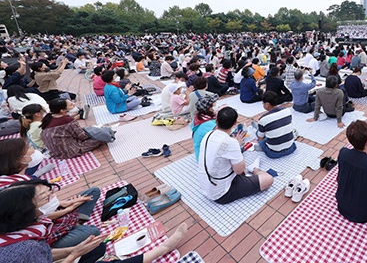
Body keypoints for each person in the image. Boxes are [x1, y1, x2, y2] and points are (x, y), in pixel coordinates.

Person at [0, 179, 188, 263]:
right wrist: (73, 255)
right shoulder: (25, 248)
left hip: (50, 237)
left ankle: (78, 226)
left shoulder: (13, 226)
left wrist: (74, 250)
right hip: (50, 237)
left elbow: (47, 253)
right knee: (93, 237)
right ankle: (162, 249)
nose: (52, 198)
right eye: (45, 197)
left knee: (97, 248)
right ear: (24, 211)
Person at [198, 107, 273, 204]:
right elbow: (239, 171)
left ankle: (250, 174)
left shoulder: (208, 135)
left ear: (216, 120)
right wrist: (236, 145)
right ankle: (255, 169)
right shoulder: (231, 142)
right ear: (235, 123)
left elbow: (221, 150)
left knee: (235, 163)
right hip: (222, 194)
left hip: (207, 187)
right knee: (268, 179)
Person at [40, 99, 105, 159]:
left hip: (55, 153)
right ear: (62, 110)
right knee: (102, 135)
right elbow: (82, 136)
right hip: (70, 151)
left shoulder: (47, 119)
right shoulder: (67, 120)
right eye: (71, 105)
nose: (74, 105)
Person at [255, 91, 296, 159]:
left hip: (273, 153)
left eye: (263, 103)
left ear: (267, 104)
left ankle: (260, 131)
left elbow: (260, 138)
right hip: (291, 148)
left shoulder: (263, 119)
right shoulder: (287, 111)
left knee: (259, 135)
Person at [192, 95, 218, 163]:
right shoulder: (210, 125)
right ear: (209, 108)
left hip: (199, 154)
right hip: (206, 159)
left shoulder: (199, 117)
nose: (216, 105)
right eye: (214, 104)